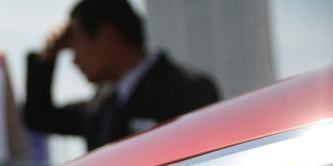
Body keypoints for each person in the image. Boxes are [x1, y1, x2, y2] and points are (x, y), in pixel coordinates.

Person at [24, 0, 220, 152]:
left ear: (107, 36)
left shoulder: (188, 90)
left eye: (75, 47)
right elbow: (39, 117)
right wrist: (46, 57)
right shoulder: (100, 106)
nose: (74, 60)